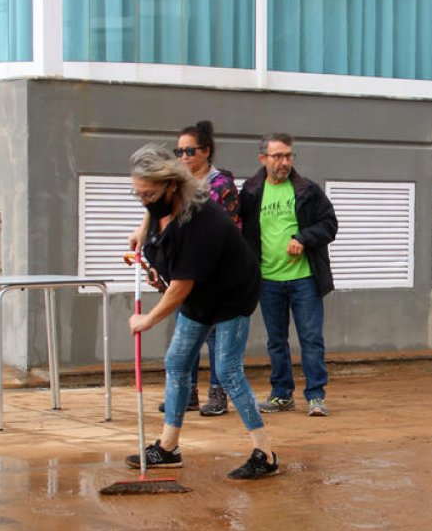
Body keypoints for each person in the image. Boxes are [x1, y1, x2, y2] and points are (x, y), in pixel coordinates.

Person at [124, 143, 277, 480]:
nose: (145, 201)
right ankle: (168, 448)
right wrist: (142, 230)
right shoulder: (161, 206)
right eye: (140, 195)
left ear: (171, 185)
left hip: (231, 295)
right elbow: (154, 215)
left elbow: (180, 288)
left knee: (228, 370)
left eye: (149, 194)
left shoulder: (199, 221)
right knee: (177, 363)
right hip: (201, 294)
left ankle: (265, 454)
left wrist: (148, 319)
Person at [239, 133, 338, 417]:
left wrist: (303, 238)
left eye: (288, 156)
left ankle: (315, 396)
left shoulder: (307, 190)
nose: (284, 162)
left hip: (304, 278)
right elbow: (240, 230)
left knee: (311, 338)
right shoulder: (250, 192)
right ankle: (282, 394)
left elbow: (329, 224)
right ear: (263, 159)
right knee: (276, 341)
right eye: (277, 156)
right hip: (268, 279)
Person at [149, 120, 242, 417]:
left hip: (215, 276)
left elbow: (227, 232)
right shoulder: (176, 186)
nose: (183, 157)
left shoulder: (221, 186)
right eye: (179, 151)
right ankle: (186, 393)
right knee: (185, 335)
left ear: (206, 151)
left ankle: (217, 394)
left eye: (190, 151)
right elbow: (164, 226)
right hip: (185, 273)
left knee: (214, 337)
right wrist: (159, 265)